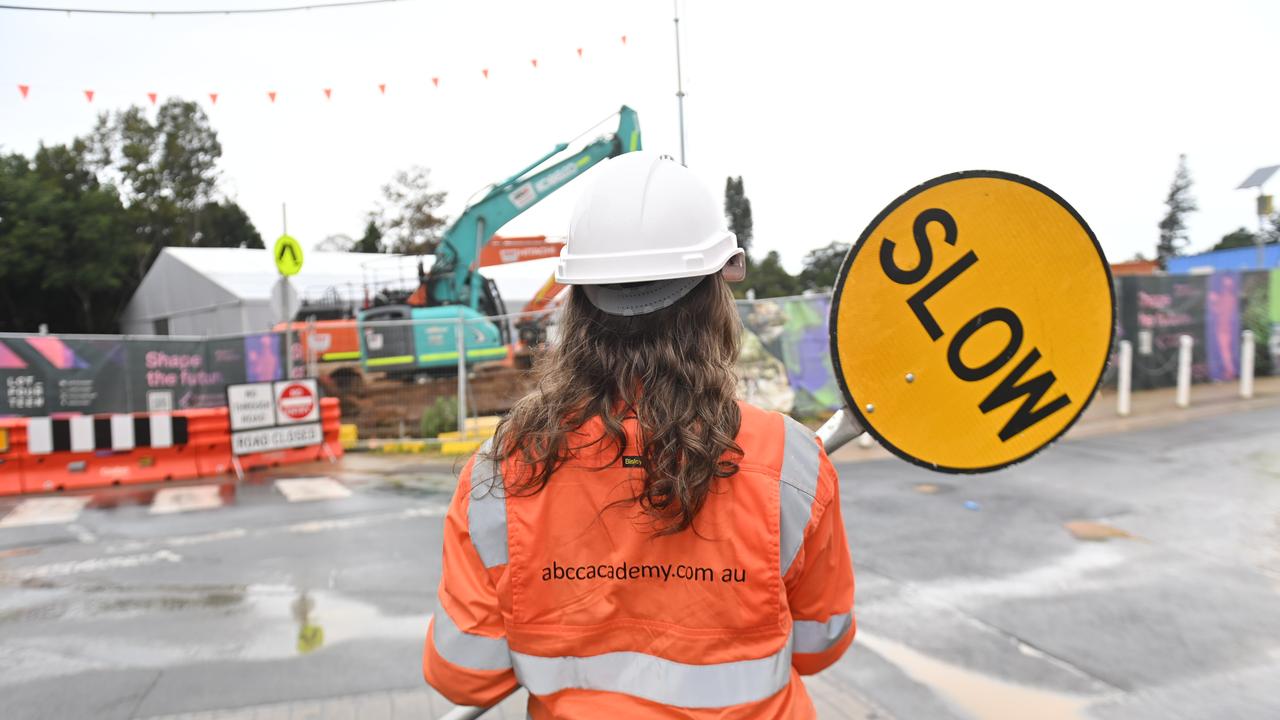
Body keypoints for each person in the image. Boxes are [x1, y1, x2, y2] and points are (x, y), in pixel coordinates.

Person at [423, 152, 855, 718]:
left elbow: (464, 676)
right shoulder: (790, 463)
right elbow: (821, 643)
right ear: (716, 297)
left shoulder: (503, 470)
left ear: (575, 304)